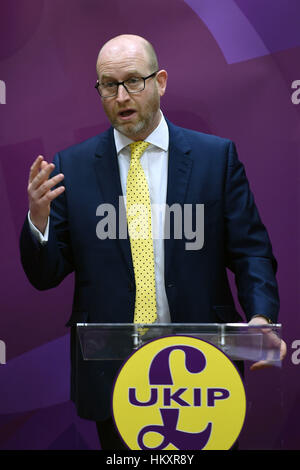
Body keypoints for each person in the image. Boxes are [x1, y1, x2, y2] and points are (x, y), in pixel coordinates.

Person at [20, 34, 286, 450]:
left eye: (134, 81)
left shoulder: (216, 158)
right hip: (114, 371)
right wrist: (39, 222)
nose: (122, 96)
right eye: (109, 85)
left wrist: (261, 317)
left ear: (160, 81)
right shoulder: (71, 166)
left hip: (202, 370)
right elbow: (45, 274)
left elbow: (251, 250)